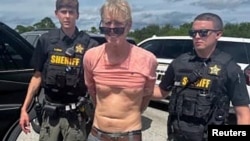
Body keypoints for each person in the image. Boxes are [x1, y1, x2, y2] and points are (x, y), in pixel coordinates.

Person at [152, 12, 250, 141]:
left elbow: (243, 113)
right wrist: (134, 86)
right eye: (193, 33)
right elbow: (161, 92)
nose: (197, 36)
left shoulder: (230, 68)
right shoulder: (179, 62)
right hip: (177, 136)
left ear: (218, 34)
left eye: (203, 32)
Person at [19, 0, 98, 140]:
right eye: (63, 12)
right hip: (51, 115)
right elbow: (37, 77)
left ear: (77, 15)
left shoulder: (89, 45)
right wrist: (24, 109)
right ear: (57, 14)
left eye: (71, 12)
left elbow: (95, 83)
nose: (67, 16)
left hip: (76, 117)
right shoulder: (46, 40)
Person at [83, 0, 157, 141]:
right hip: (97, 134)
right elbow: (92, 92)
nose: (112, 29)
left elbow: (147, 96)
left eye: (118, 24)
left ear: (128, 25)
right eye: (107, 23)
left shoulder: (147, 60)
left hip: (129, 134)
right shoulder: (91, 56)